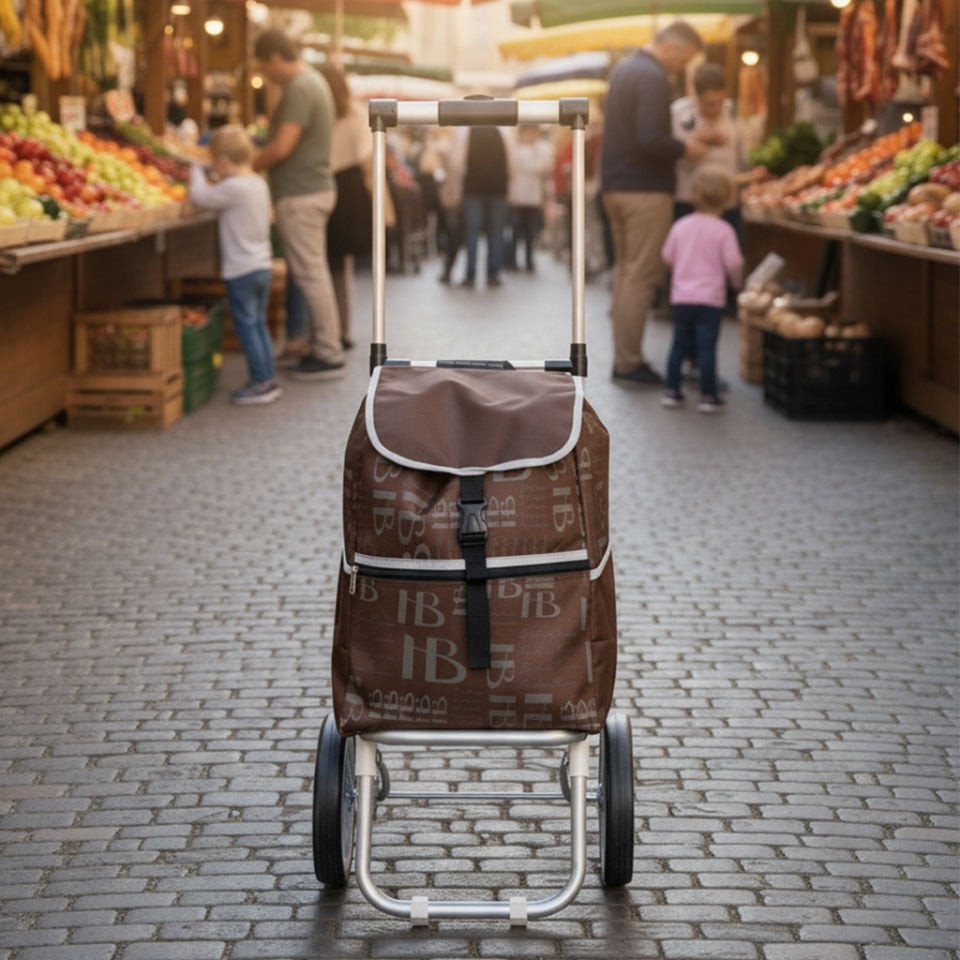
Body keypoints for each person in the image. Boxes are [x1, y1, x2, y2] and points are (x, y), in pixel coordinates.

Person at [600, 20, 710, 385]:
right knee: (642, 276)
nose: (681, 70)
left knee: (627, 273)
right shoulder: (652, 77)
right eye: (684, 61)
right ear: (671, 49)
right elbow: (651, 137)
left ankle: (624, 357)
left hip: (617, 185)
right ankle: (629, 363)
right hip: (643, 188)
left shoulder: (625, 70)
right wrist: (687, 148)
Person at [252, 31, 343, 381]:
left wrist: (247, 165)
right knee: (311, 272)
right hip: (309, 190)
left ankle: (328, 352)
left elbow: (281, 148)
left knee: (311, 273)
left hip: (302, 192)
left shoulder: (301, 87)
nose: (266, 73)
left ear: (275, 57)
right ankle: (314, 345)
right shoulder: (312, 83)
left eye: (264, 65)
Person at [188, 125, 279, 406]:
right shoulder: (258, 183)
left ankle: (261, 381)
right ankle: (268, 377)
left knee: (246, 327)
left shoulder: (233, 188)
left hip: (241, 269)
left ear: (223, 161)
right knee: (259, 324)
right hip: (262, 265)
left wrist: (196, 171)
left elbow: (200, 198)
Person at [660, 165, 744, 413]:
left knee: (678, 344)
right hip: (710, 300)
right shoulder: (724, 230)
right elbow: (734, 263)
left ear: (694, 194)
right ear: (728, 198)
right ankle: (708, 396)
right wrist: (736, 283)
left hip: (681, 298)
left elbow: (667, 256)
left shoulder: (681, 226)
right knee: (706, 347)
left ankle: (672, 392)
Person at [320, 63, 373, 351]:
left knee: (326, 264)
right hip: (352, 189)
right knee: (342, 265)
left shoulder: (321, 116)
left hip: (326, 184)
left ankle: (329, 330)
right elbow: (367, 154)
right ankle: (344, 329)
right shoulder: (358, 113)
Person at [671, 63, 742, 234]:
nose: (715, 108)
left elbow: (740, 155)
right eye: (709, 104)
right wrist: (699, 140)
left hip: (726, 201)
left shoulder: (732, 112)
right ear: (695, 96)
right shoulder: (678, 113)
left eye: (719, 102)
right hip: (689, 199)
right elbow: (672, 149)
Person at [449, 118, 509, 289]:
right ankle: (493, 274)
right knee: (496, 232)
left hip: (473, 187)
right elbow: (512, 160)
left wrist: (453, 188)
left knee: (472, 232)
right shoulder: (503, 129)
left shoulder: (465, 130)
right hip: (498, 187)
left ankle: (470, 274)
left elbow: (456, 163)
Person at [505, 125, 553, 272]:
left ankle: (529, 260)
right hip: (518, 197)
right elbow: (534, 168)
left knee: (530, 232)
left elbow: (545, 166)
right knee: (515, 230)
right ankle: (511, 260)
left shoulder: (541, 149)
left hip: (533, 198)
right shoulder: (517, 150)